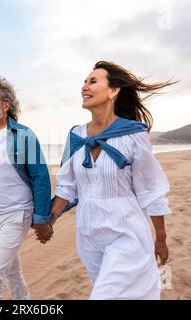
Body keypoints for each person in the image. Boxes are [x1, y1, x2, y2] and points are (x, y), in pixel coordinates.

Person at [45, 61, 176, 300]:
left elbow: (151, 190)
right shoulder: (76, 135)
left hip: (126, 231)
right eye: (84, 81)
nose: (84, 86)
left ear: (113, 90)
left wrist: (161, 239)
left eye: (93, 81)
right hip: (87, 234)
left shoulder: (134, 134)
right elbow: (68, 187)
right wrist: (50, 220)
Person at [0, 75, 53, 300]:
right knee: (12, 272)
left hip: (16, 214)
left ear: (5, 105)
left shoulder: (24, 135)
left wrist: (42, 218)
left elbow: (41, 177)